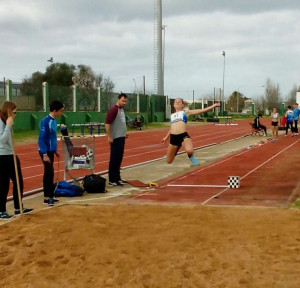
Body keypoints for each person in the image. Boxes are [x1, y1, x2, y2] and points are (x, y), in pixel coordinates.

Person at [0, 101, 33, 219]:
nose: (15, 114)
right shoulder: (1, 123)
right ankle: (1, 210)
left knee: (18, 181)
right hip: (3, 157)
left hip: (12, 155)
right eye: (14, 112)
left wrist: (9, 125)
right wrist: (8, 126)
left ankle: (18, 207)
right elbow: (2, 140)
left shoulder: (7, 121)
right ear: (8, 111)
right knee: (3, 184)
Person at [161, 98, 220, 165]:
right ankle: (176, 150)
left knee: (189, 151)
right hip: (173, 138)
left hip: (183, 136)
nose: (177, 103)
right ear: (174, 105)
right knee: (169, 161)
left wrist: (213, 105)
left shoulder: (186, 112)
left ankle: (190, 156)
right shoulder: (172, 116)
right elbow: (172, 128)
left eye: (179, 102)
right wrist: (166, 137)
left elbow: (202, 110)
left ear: (182, 104)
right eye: (176, 102)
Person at [38, 100, 64, 205]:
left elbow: (52, 137)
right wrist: (44, 154)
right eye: (60, 111)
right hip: (45, 151)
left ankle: (50, 196)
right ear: (55, 110)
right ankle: (47, 197)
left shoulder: (54, 121)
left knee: (50, 174)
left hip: (51, 151)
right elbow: (41, 139)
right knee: (48, 173)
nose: (61, 113)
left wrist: (55, 150)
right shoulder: (45, 121)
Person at [105, 93, 128, 186]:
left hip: (121, 136)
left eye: (126, 101)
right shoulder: (113, 110)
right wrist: (109, 136)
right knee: (114, 159)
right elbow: (107, 123)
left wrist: (124, 133)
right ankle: (112, 179)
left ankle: (117, 178)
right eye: (123, 101)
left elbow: (120, 123)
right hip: (115, 138)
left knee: (119, 158)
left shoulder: (121, 110)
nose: (124, 103)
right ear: (118, 99)